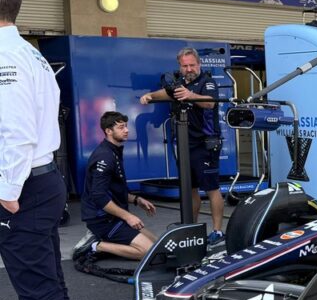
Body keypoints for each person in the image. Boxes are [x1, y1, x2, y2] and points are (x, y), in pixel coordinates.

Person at [0, 0, 81, 300]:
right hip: (39, 182)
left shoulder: (6, 58)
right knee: (47, 288)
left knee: (41, 296)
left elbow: (14, 131)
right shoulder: (25, 51)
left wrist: (7, 189)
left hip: (24, 188)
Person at [140, 47, 226, 243]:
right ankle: (192, 228)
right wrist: (150, 96)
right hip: (186, 144)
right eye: (185, 65)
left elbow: (210, 103)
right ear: (180, 66)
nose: (189, 69)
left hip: (206, 142)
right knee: (190, 188)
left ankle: (218, 231)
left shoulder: (207, 82)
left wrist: (191, 96)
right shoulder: (179, 83)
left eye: (192, 65)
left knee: (212, 188)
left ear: (199, 64)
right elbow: (166, 93)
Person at [74, 111, 157, 261]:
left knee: (158, 245)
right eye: (120, 127)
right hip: (103, 220)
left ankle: (106, 241)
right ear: (108, 131)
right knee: (150, 253)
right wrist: (128, 216)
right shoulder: (104, 156)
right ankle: (96, 245)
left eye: (126, 126)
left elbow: (114, 190)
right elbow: (99, 196)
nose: (126, 130)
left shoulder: (114, 151)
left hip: (114, 217)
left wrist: (137, 200)